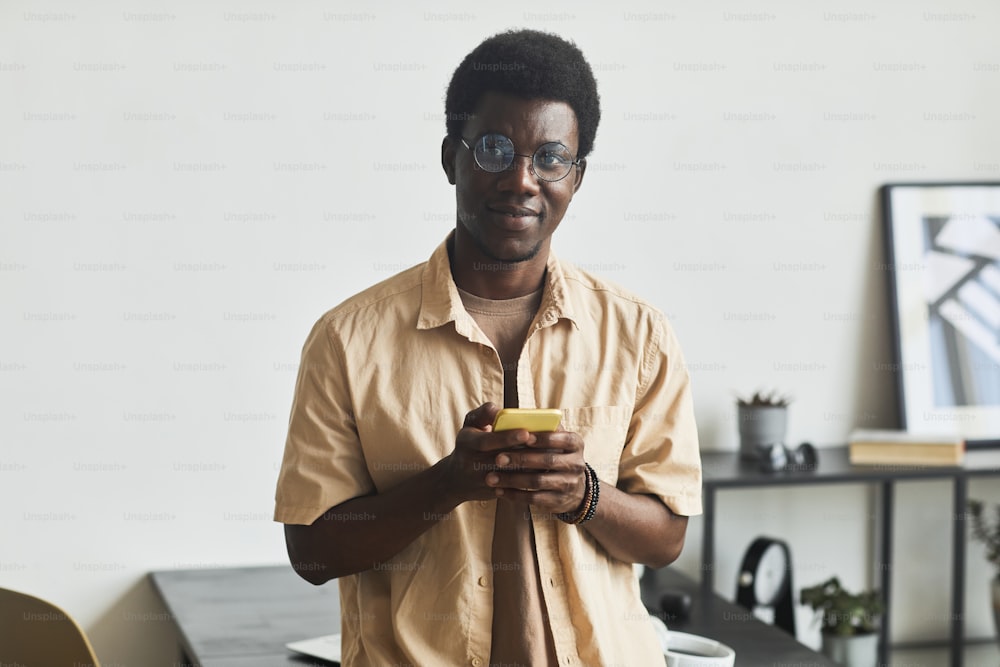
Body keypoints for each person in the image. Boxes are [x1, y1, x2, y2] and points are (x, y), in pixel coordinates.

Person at [274, 28, 702, 666]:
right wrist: (449, 483)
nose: (523, 181)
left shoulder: (638, 334)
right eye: (496, 149)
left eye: (551, 157)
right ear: (452, 157)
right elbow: (311, 552)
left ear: (577, 177)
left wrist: (582, 494)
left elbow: (666, 536)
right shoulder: (347, 339)